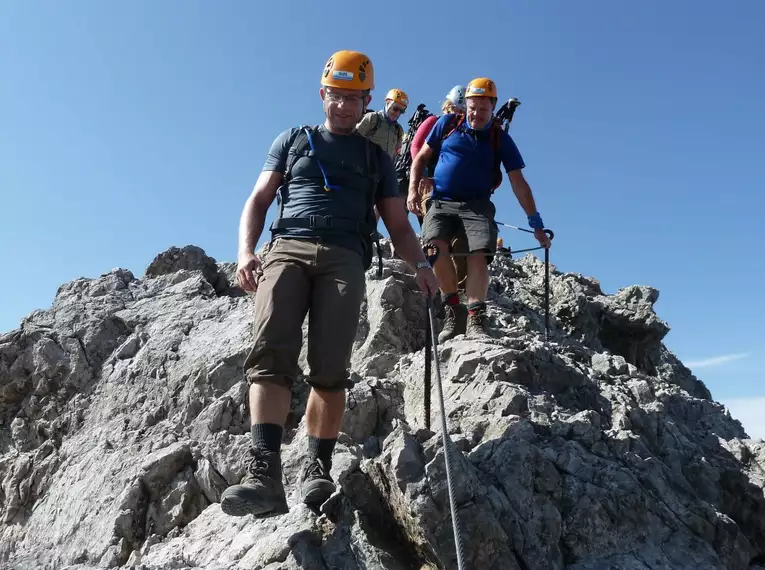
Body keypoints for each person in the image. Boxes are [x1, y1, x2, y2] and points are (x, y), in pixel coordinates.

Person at [221, 50, 438, 519]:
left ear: (366, 101)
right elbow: (258, 199)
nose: (343, 107)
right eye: (335, 96)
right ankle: (264, 474)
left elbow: (398, 226)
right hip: (289, 247)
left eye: (353, 99)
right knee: (270, 353)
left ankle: (317, 468)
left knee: (330, 364)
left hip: (345, 256)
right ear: (323, 94)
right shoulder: (293, 140)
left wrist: (421, 264)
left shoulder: (377, 158)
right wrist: (246, 251)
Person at [407, 77, 550, 341]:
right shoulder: (447, 124)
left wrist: (536, 224)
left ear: (492, 108)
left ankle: (476, 318)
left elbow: (519, 183)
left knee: (478, 254)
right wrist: (412, 189)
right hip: (441, 200)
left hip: (477, 205)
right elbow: (420, 158)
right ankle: (453, 311)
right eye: (472, 107)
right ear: (466, 105)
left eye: (483, 109)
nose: (476, 114)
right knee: (434, 249)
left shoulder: (500, 139)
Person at [355, 88, 408, 159]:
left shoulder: (398, 129)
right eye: (395, 109)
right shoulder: (373, 118)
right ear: (387, 102)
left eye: (401, 111)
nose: (397, 113)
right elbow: (353, 140)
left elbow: (396, 155)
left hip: (386, 169)